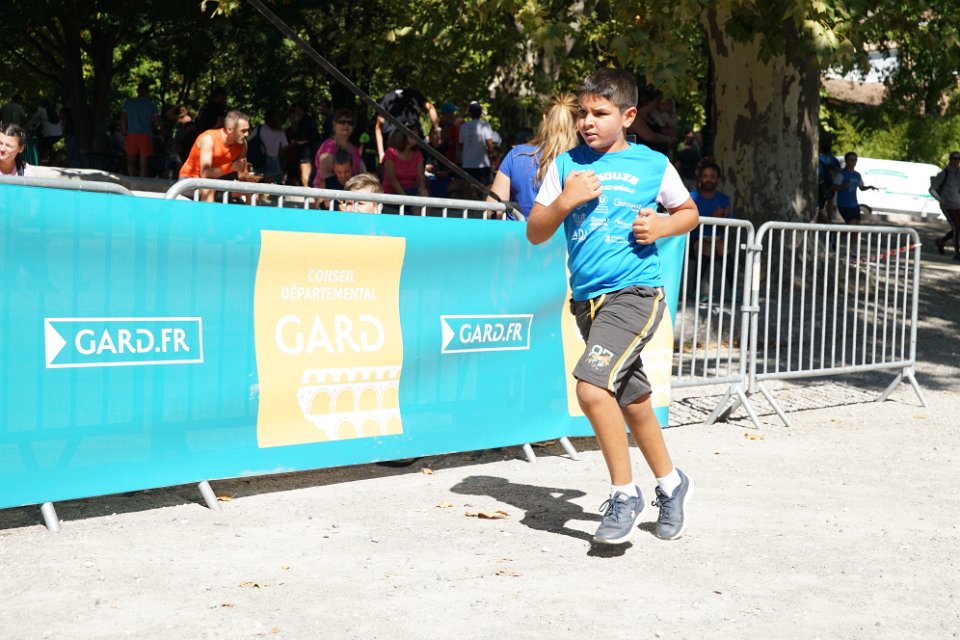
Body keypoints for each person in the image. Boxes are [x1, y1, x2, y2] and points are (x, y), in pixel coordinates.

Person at [526, 68, 699, 546]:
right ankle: (672, 484)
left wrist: (662, 227)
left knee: (590, 387)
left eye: (600, 114)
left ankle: (624, 494)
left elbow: (688, 213)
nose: (587, 122)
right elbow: (536, 231)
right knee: (632, 399)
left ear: (627, 116)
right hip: (588, 302)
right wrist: (565, 201)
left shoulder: (653, 164)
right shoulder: (566, 165)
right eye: (583, 113)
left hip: (636, 293)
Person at [486, 92, 579, 219]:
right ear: (577, 125)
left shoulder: (516, 155)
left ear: (545, 119)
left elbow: (492, 209)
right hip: (563, 232)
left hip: (516, 231)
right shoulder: (584, 162)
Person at [178, 110, 251, 202]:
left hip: (217, 182)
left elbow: (241, 174)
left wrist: (249, 177)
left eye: (247, 130)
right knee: (208, 189)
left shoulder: (243, 144)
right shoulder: (208, 139)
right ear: (229, 129)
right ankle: (209, 212)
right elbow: (205, 173)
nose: (247, 134)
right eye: (243, 131)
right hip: (190, 181)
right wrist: (232, 167)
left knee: (252, 190)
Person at [375, 88, 438, 162]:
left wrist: (381, 153)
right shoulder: (414, 94)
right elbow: (431, 108)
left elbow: (378, 127)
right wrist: (436, 129)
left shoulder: (387, 97)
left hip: (404, 140)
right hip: (400, 140)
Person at [690, 160, 733, 258]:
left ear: (718, 180)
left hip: (717, 240)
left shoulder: (724, 199)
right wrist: (711, 218)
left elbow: (725, 230)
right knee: (706, 248)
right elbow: (686, 226)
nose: (708, 179)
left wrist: (723, 220)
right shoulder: (690, 198)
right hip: (693, 240)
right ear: (700, 178)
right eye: (705, 176)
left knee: (722, 248)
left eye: (712, 176)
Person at [313, 108, 363, 188]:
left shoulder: (355, 149)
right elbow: (325, 174)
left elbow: (361, 174)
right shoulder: (328, 146)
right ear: (334, 125)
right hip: (328, 192)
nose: (346, 125)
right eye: (342, 122)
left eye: (350, 123)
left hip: (351, 191)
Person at [120, 81, 160, 177]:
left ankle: (131, 179)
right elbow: (156, 122)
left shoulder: (129, 103)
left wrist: (124, 131)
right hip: (146, 135)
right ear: (147, 92)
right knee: (144, 164)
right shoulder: (151, 105)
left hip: (131, 134)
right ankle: (142, 182)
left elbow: (122, 117)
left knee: (130, 161)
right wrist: (156, 129)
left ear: (137, 90)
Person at [459, 101, 494, 195]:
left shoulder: (463, 127)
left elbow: (460, 146)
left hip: (467, 163)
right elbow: (490, 146)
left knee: (468, 191)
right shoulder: (485, 125)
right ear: (480, 112)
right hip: (482, 164)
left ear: (470, 113)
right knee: (484, 190)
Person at [832, 151, 878, 225]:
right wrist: (843, 186)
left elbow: (861, 187)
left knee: (857, 225)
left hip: (854, 204)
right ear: (846, 161)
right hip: (844, 204)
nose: (853, 162)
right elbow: (833, 187)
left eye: (855, 160)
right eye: (851, 160)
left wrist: (869, 187)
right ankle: (837, 232)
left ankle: (841, 232)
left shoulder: (857, 175)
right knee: (852, 224)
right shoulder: (842, 174)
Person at [930, 151, 960, 261]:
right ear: (950, 159)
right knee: (957, 227)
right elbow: (932, 189)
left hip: (958, 205)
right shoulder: (944, 173)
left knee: (958, 227)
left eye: (959, 159)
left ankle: (941, 241)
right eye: (954, 158)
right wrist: (940, 199)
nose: (957, 161)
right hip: (948, 205)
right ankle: (957, 252)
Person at [382, 129, 428, 198]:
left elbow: (421, 178)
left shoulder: (417, 154)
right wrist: (405, 198)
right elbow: (392, 179)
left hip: (411, 191)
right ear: (402, 136)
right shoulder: (390, 152)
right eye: (412, 135)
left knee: (424, 193)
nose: (416, 137)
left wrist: (421, 189)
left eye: (416, 135)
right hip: (392, 193)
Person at [628, 88, 672, 157]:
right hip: (645, 158)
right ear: (648, 102)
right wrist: (667, 138)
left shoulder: (651, 116)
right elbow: (651, 137)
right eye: (654, 102)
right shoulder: (635, 118)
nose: (655, 105)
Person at [287, 103, 321, 187]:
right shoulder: (306, 120)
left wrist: (297, 142)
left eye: (297, 108)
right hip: (308, 152)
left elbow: (309, 137)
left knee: (305, 178)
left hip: (307, 153)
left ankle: (307, 192)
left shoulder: (306, 121)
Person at [250, 109, 288, 182]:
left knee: (258, 181)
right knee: (271, 183)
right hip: (274, 159)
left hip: (259, 158)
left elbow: (250, 140)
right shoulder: (280, 132)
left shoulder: (259, 128)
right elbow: (285, 147)